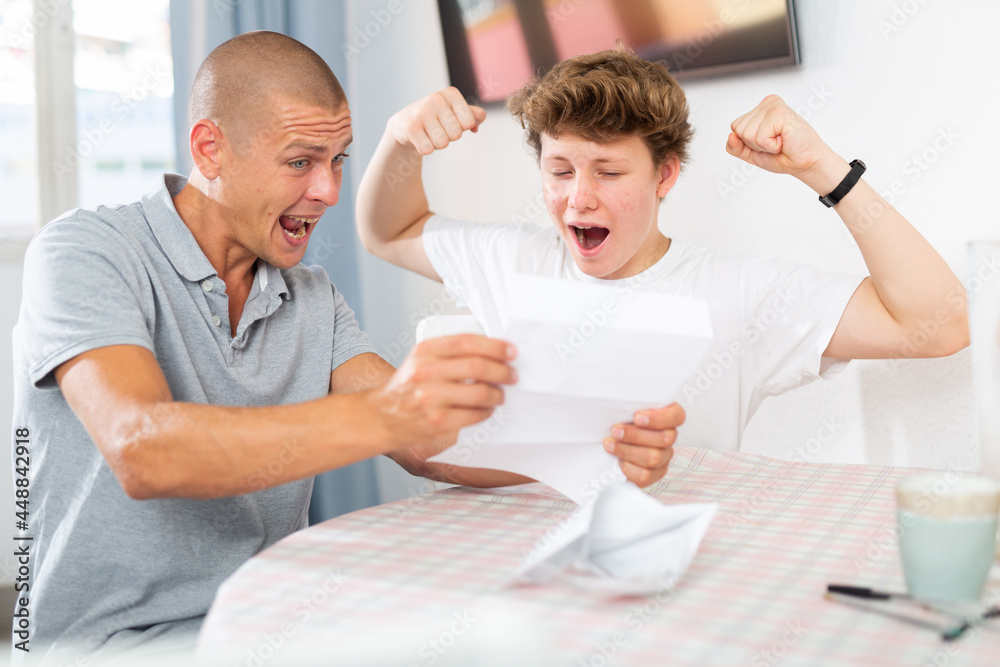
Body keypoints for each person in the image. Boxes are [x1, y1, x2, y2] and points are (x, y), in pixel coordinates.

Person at [11, 33, 682, 663]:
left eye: (337, 161)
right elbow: (144, 449)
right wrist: (391, 411)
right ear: (211, 150)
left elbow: (425, 443)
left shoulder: (309, 296)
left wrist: (597, 443)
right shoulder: (86, 252)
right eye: (300, 161)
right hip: (111, 645)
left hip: (266, 625)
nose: (328, 191)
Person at [355, 47, 969, 452]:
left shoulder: (739, 292)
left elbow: (938, 324)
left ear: (665, 175)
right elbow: (389, 232)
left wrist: (823, 169)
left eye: (609, 172)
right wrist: (399, 142)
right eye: (560, 170)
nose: (578, 199)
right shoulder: (511, 261)